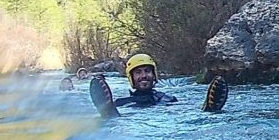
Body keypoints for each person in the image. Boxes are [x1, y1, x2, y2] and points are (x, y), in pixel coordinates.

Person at [89, 53, 228, 118]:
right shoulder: (120, 103)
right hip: (131, 120)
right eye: (138, 72)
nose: (143, 75)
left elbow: (184, 111)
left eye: (147, 71)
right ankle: (109, 115)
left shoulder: (168, 98)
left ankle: (209, 110)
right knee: (115, 118)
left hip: (164, 118)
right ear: (131, 77)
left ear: (154, 75)